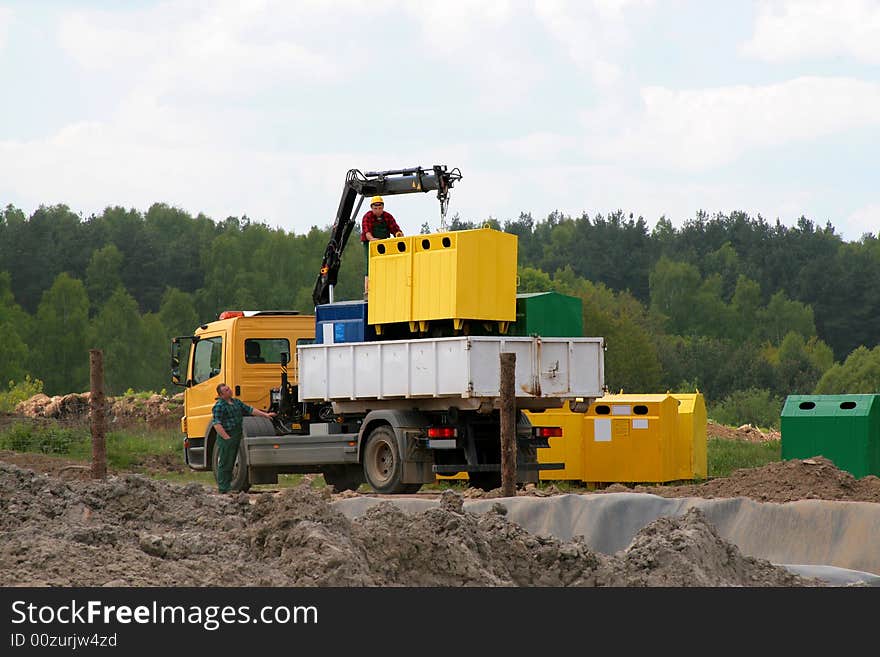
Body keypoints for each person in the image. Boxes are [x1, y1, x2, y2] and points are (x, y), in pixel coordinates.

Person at [211, 383, 276, 493]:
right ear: (221, 395)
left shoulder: (236, 402)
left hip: (236, 435)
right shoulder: (219, 406)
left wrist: (265, 415)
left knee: (231, 462)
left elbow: (250, 410)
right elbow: (217, 424)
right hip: (226, 436)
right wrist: (226, 437)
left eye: (228, 389)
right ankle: (223, 488)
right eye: (226, 390)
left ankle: (228, 487)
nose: (229, 391)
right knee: (224, 462)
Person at [361, 195, 403, 296]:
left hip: (384, 244)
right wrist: (372, 239)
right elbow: (367, 231)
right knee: (369, 265)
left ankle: (386, 286)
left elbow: (395, 229)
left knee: (386, 264)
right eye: (375, 208)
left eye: (380, 208)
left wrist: (398, 234)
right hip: (370, 244)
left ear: (383, 207)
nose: (378, 210)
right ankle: (368, 291)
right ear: (372, 208)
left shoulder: (387, 217)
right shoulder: (367, 217)